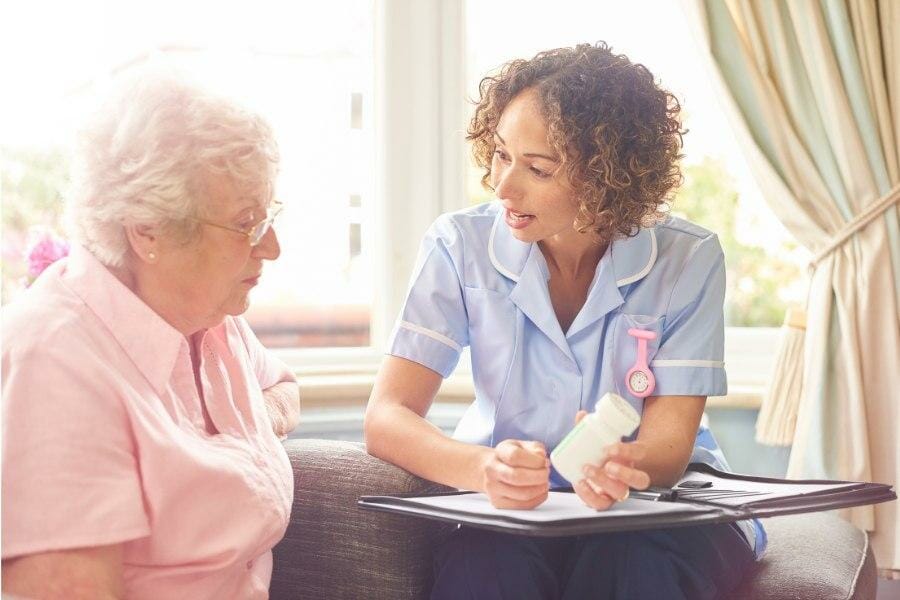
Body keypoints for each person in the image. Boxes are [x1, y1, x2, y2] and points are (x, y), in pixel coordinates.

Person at [364, 42, 766, 599]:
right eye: (502, 154)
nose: (503, 185)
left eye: (538, 168)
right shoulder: (460, 246)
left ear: (609, 176)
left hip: (656, 508)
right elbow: (387, 416)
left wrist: (626, 465)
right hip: (512, 512)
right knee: (488, 569)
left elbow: (668, 448)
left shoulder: (686, 259)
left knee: (629, 559)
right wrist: (484, 469)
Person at [1, 70, 300, 599]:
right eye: (247, 222)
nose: (272, 246)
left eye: (267, 214)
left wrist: (253, 418)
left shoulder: (211, 320)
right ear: (148, 230)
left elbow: (282, 390)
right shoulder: (58, 362)